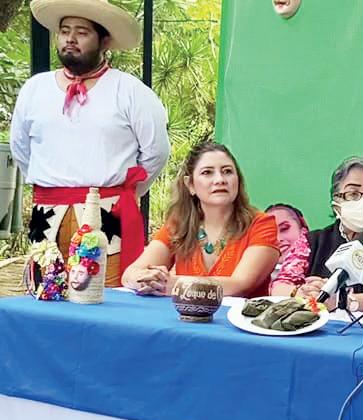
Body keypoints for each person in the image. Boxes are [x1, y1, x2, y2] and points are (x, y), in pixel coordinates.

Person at [10, 0, 170, 286]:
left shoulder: (130, 91)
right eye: (64, 31)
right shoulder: (35, 89)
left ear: (104, 41)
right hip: (47, 213)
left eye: (82, 32)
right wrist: (50, 182)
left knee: (106, 296)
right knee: (45, 294)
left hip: (107, 211)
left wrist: (125, 191)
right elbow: (21, 149)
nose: (70, 38)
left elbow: (156, 152)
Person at [122, 142, 279, 298]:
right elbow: (131, 273)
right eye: (207, 172)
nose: (220, 179)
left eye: (227, 171)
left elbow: (240, 285)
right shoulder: (178, 225)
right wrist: (144, 279)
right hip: (183, 314)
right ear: (190, 185)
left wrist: (173, 285)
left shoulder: (261, 224)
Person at [270, 156, 363, 314]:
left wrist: (341, 301)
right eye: (353, 193)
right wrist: (305, 294)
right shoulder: (312, 241)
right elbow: (279, 286)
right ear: (336, 200)